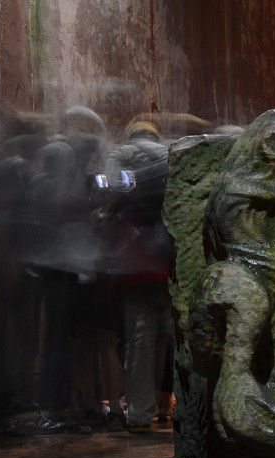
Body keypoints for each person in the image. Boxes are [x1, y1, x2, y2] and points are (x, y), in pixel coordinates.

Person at [100, 121, 171, 433]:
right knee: (172, 337)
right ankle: (180, 406)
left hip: (137, 257)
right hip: (169, 257)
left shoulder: (121, 153)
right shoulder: (170, 152)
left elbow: (110, 189)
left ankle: (140, 414)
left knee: (139, 340)